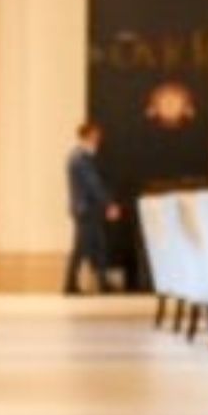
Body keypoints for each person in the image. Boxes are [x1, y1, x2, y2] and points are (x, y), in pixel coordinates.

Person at [64, 121, 121, 294]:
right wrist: (109, 204)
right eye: (96, 134)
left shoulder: (80, 156)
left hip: (87, 209)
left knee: (98, 246)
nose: (99, 137)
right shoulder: (80, 158)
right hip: (86, 210)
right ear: (88, 135)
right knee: (82, 248)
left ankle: (101, 282)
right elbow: (93, 185)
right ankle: (70, 285)